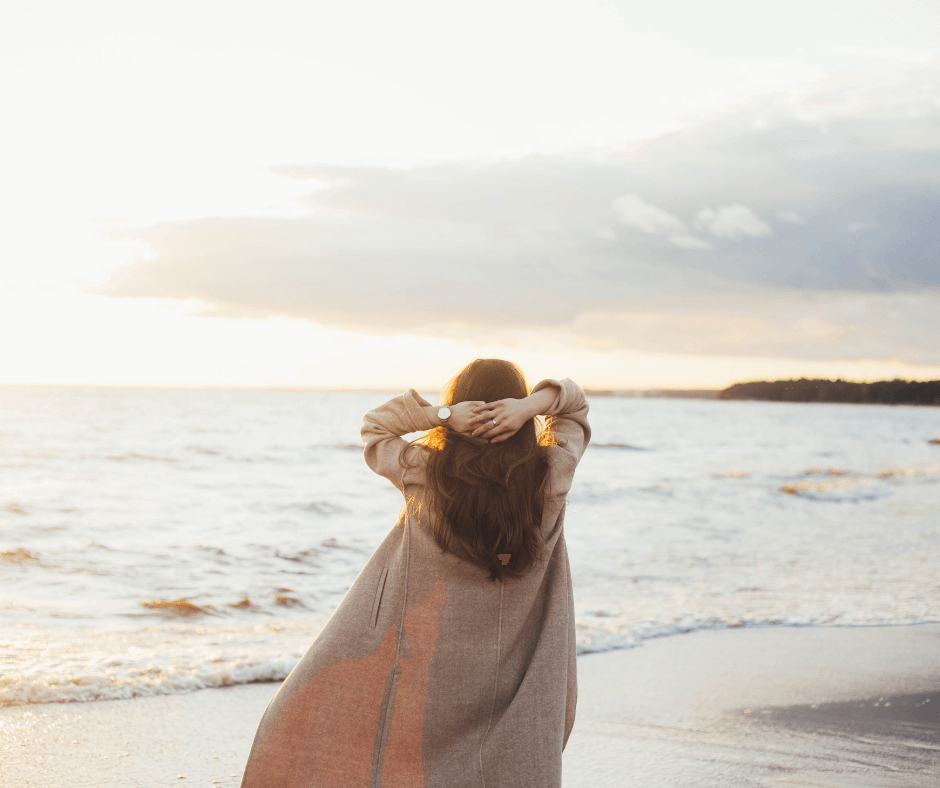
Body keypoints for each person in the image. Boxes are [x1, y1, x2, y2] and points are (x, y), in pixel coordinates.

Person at [240, 359, 590, 788]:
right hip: (515, 662)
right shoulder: (553, 473)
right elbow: (574, 405)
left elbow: (375, 428)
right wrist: (529, 406)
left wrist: (441, 416)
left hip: (436, 664)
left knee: (423, 766)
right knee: (499, 765)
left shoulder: (425, 471)